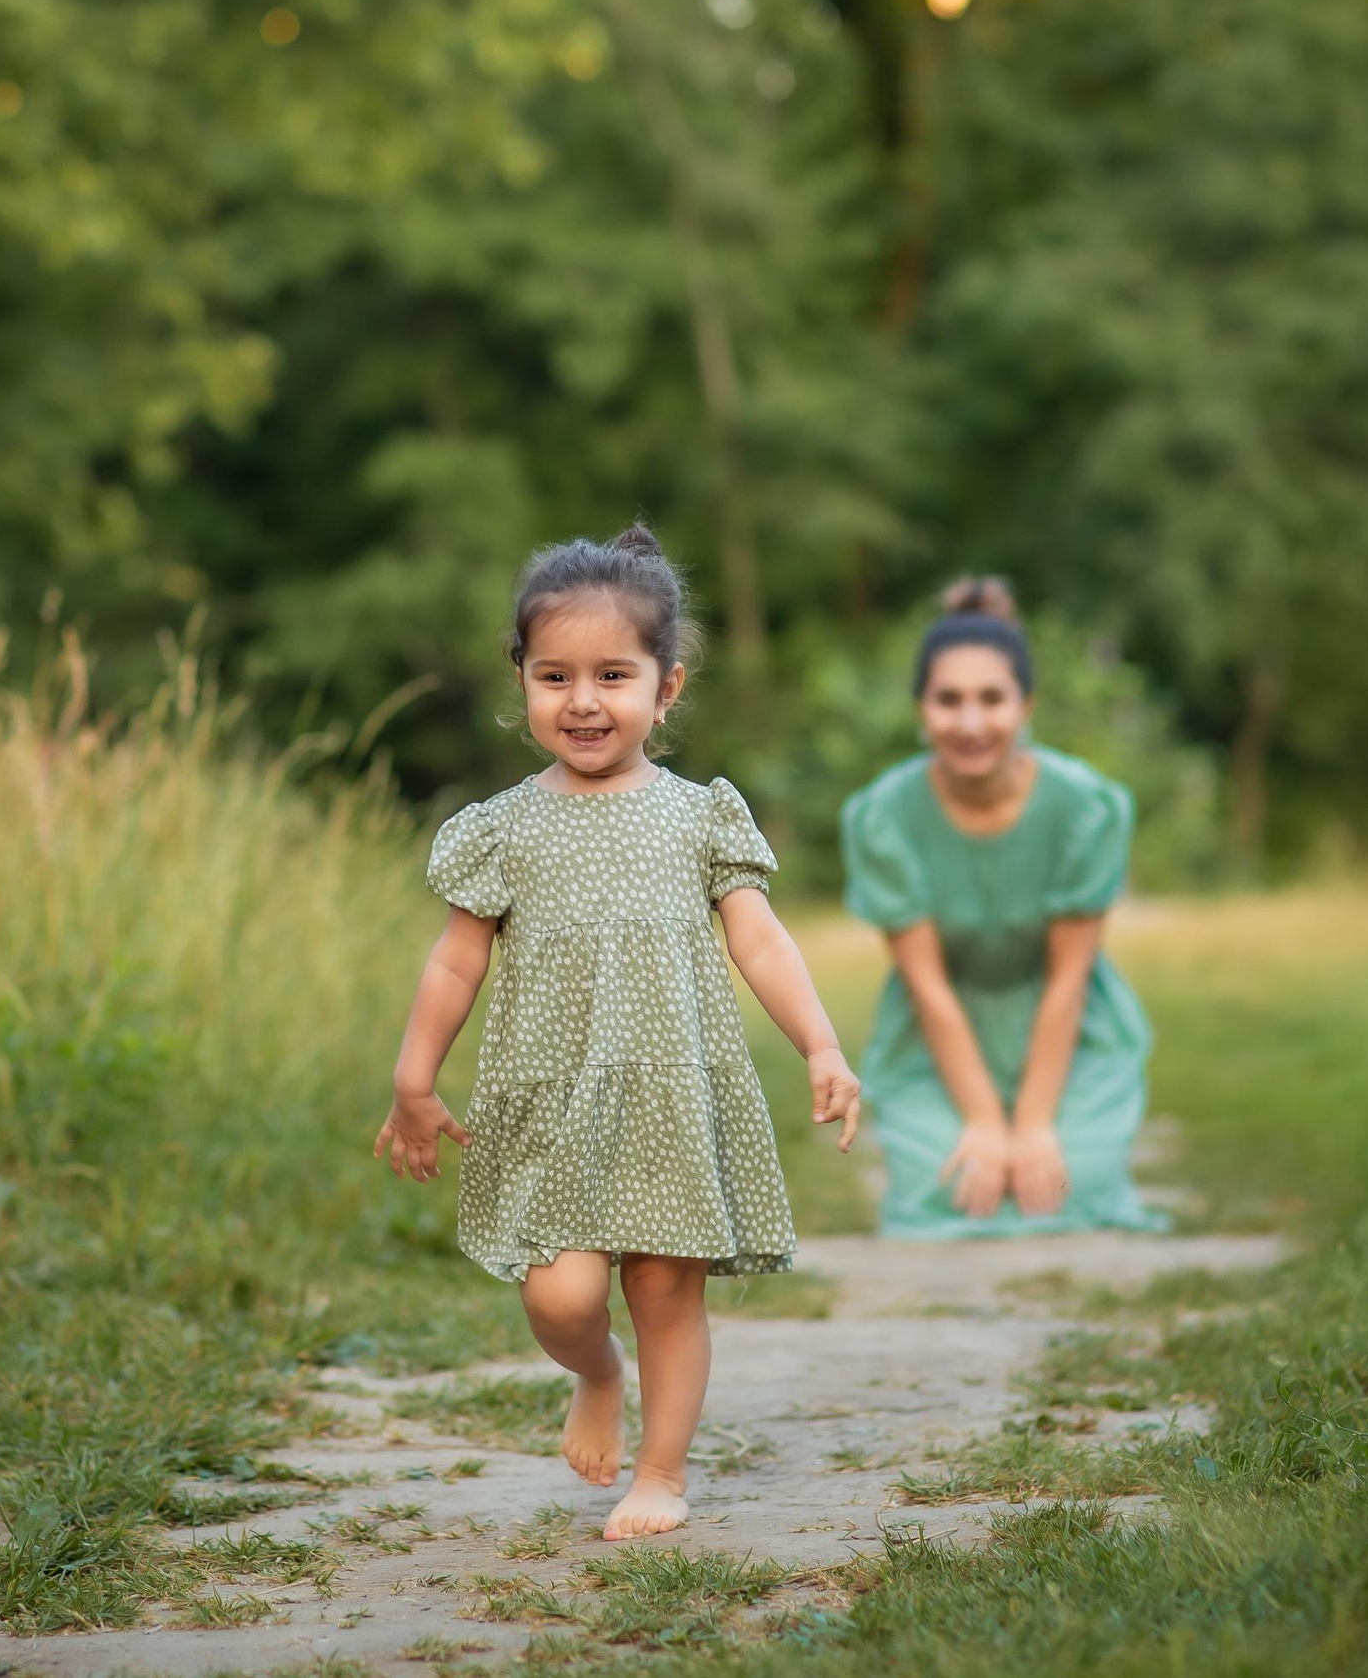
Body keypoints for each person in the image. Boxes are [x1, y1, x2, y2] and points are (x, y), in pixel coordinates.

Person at [375, 525, 861, 1542]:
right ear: (522, 680)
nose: (583, 700)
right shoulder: (501, 827)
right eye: (554, 676)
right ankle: (596, 1372)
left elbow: (761, 943)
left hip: (670, 1091)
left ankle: (663, 1472)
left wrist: (820, 1044)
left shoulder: (699, 817)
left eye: (612, 675)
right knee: (559, 1295)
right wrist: (414, 1078)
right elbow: (455, 960)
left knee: (665, 1292)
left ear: (666, 686)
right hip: (551, 1093)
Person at [839, 577, 1165, 1238]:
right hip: (936, 1041)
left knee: (1076, 1193)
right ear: (921, 708)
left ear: (1027, 704)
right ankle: (968, 1127)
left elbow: (1069, 976)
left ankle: (1063, 1130)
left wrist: (1035, 1124)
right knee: (949, 1197)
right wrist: (985, 1121)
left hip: (1069, 1032)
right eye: (948, 699)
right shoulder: (882, 818)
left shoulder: (1087, 807)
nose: (970, 723)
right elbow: (927, 986)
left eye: (992, 698)